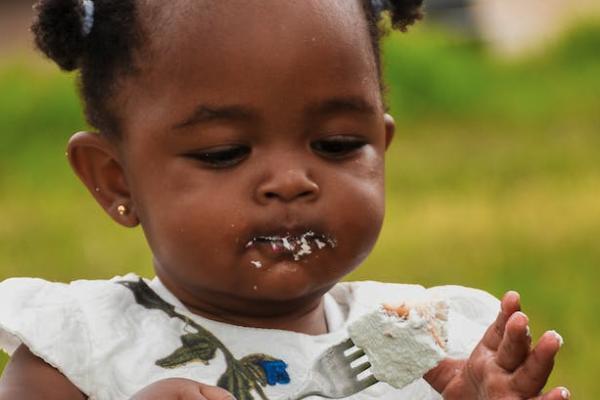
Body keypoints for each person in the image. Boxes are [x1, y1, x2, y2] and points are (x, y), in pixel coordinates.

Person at [0, 0, 568, 399]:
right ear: (117, 180)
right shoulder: (78, 352)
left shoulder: (424, 344)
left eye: (337, 144)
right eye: (225, 153)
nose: (291, 180)